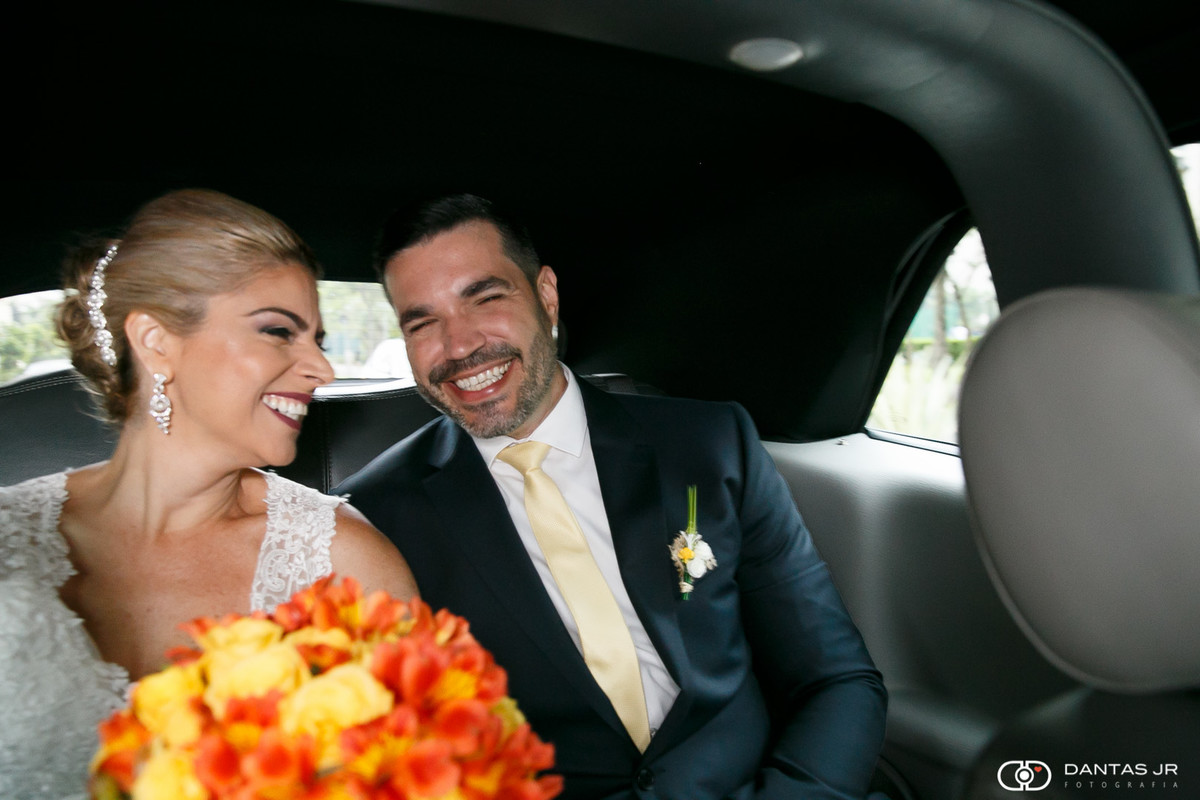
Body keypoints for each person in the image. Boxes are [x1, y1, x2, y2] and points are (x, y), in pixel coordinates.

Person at [336, 194, 887, 800]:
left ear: (546, 295)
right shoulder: (374, 519)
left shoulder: (709, 445)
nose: (460, 345)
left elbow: (834, 677)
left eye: (485, 297)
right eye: (422, 322)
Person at [0, 189, 418, 799]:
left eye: (319, 341)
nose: (322, 370)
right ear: (156, 342)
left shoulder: (348, 565)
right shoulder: (6, 534)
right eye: (279, 331)